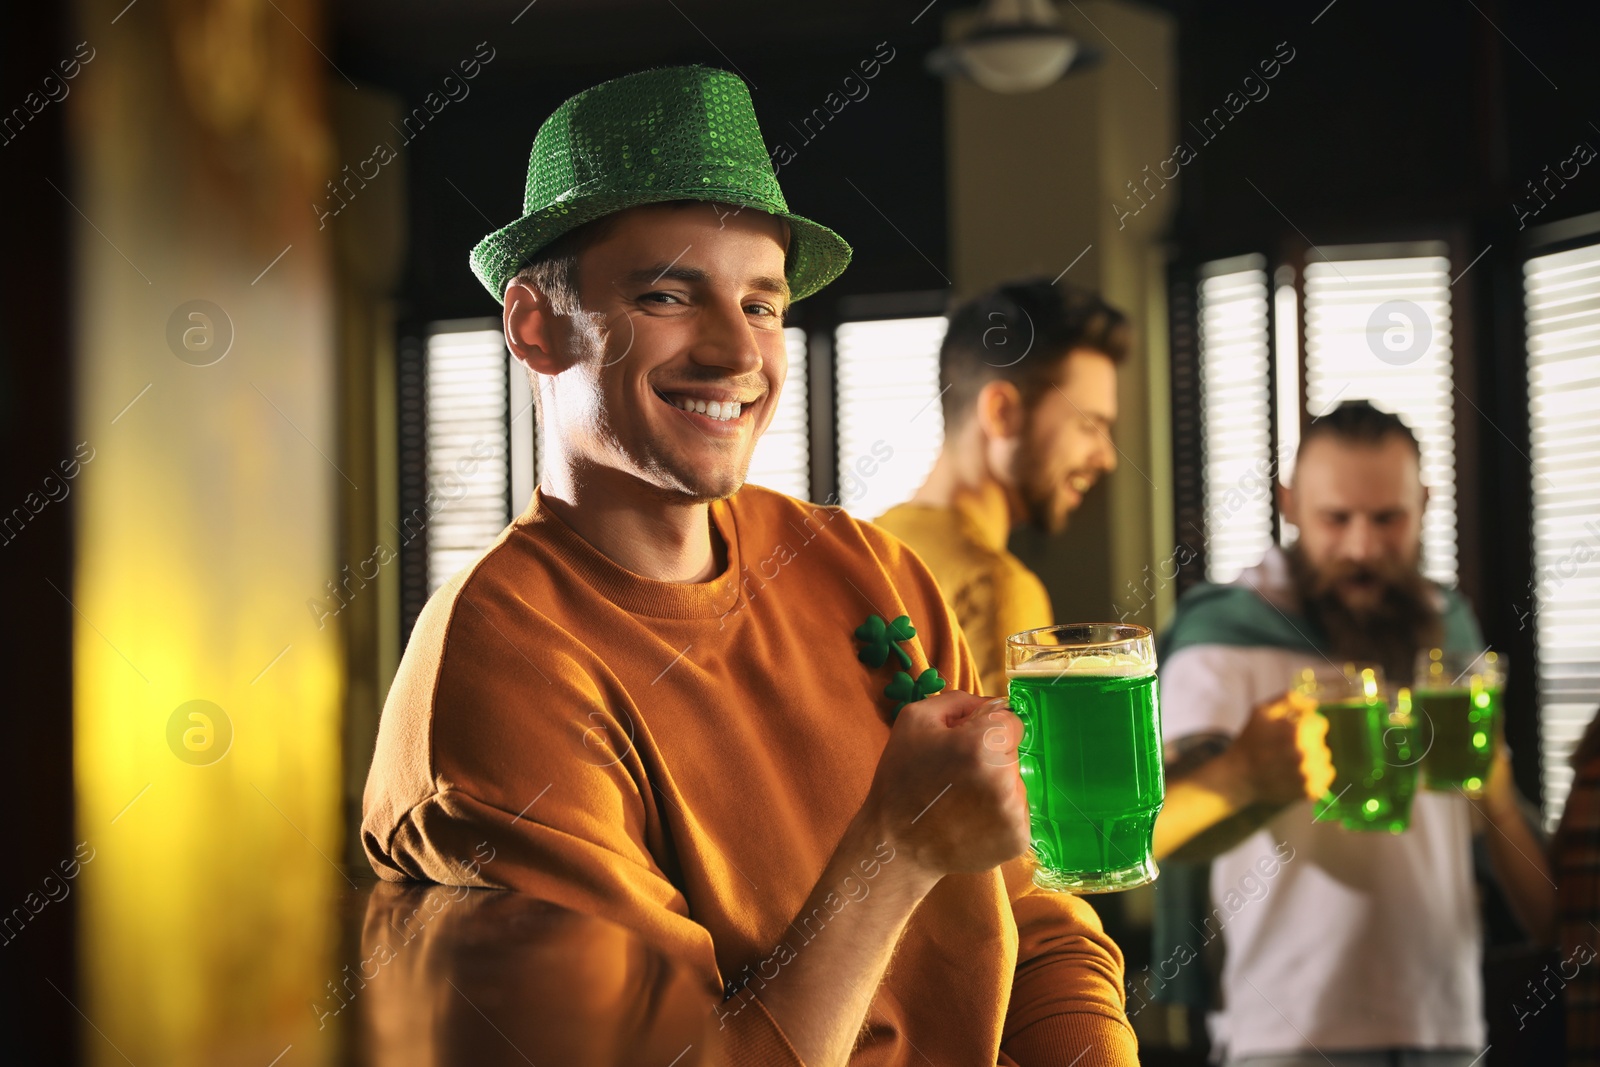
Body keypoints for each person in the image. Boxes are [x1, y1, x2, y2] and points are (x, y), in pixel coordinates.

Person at [361, 66, 1139, 1066]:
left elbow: (1035, 918)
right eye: (667, 293)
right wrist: (895, 847)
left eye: (763, 305)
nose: (737, 352)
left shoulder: (872, 572)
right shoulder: (501, 672)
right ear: (535, 325)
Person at [1148, 400, 1550, 1065]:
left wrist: (1498, 791)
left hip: (1445, 1024)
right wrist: (1246, 770)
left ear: (1424, 503)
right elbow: (1152, 823)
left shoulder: (1450, 628)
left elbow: (1496, 822)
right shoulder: (1223, 632)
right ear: (1290, 504)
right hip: (1283, 1031)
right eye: (1337, 519)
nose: (1363, 547)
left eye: (1388, 518)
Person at [875, 279, 1128, 697]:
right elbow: (1032, 763)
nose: (1107, 457)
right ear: (1002, 413)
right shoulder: (996, 589)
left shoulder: (872, 543)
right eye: (1088, 425)